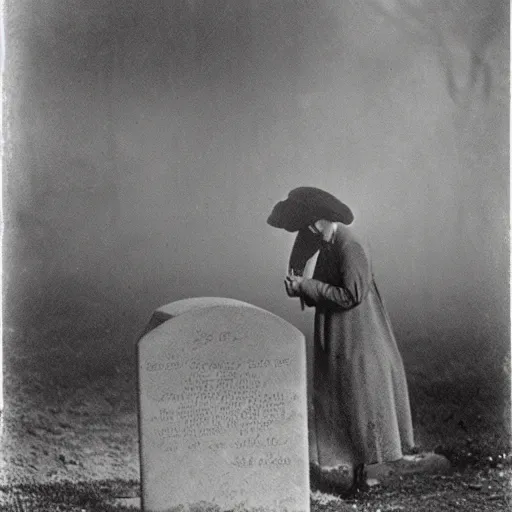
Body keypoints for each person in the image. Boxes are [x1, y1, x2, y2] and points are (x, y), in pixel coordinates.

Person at [267, 187, 415, 495]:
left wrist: (306, 286)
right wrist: (296, 277)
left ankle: (371, 476)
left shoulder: (350, 246)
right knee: (350, 396)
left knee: (364, 398)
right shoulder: (329, 240)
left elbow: (352, 295)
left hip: (360, 336)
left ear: (320, 221)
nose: (306, 231)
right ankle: (362, 473)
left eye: (309, 224)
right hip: (344, 334)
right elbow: (303, 247)